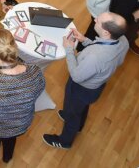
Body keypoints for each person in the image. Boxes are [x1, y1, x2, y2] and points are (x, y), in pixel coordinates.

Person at [42, 12, 128, 149]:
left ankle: (65, 141)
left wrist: (69, 49)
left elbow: (76, 75)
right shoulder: (122, 40)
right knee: (81, 107)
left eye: (98, 20)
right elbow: (104, 47)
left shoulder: (96, 57)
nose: (95, 19)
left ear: (106, 32)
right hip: (95, 88)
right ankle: (79, 125)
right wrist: (84, 40)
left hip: (81, 88)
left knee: (72, 114)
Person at [0, 28, 45, 167]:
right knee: (10, 139)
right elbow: (39, 90)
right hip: (19, 124)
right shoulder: (35, 71)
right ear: (15, 46)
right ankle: (7, 156)